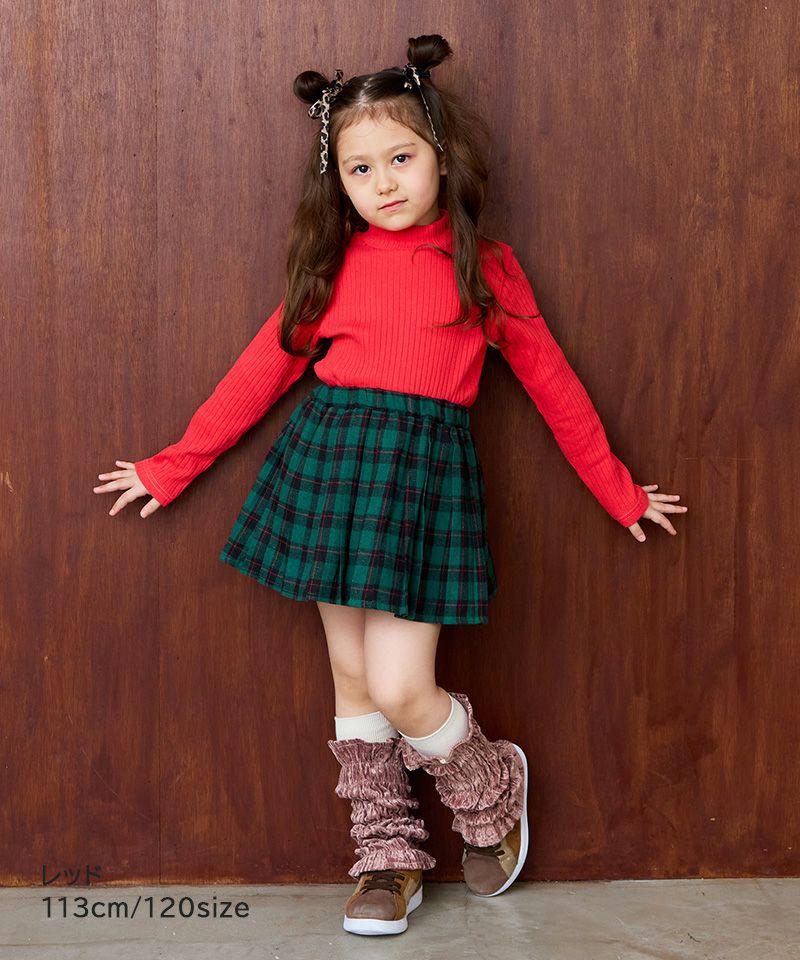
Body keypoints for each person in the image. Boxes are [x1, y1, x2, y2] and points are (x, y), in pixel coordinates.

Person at [92, 34, 688, 937]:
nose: (383, 183)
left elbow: (553, 383)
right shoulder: (332, 269)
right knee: (352, 676)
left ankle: (490, 784)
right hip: (331, 467)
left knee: (404, 686)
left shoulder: (484, 266)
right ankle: (386, 853)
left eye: (400, 158)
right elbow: (262, 371)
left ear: (440, 155)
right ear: (338, 183)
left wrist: (618, 489)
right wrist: (172, 465)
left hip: (419, 481)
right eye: (359, 169)